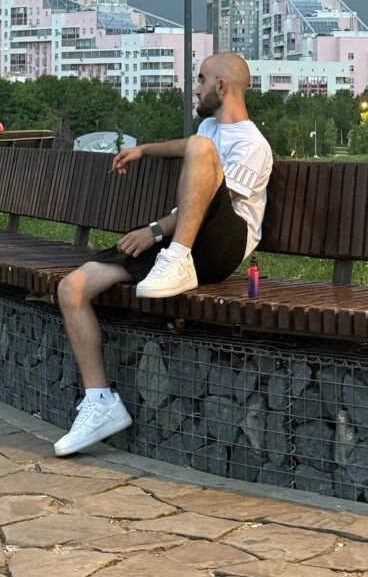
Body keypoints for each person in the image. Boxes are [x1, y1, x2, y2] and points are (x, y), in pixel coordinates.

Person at [54, 52, 273, 457]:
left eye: (201, 79)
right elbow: (183, 147)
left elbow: (213, 201)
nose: (195, 88)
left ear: (221, 86)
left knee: (201, 148)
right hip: (181, 240)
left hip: (221, 247)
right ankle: (100, 402)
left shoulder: (252, 144)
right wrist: (144, 150)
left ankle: (177, 259)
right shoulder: (209, 128)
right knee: (72, 288)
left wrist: (154, 230)